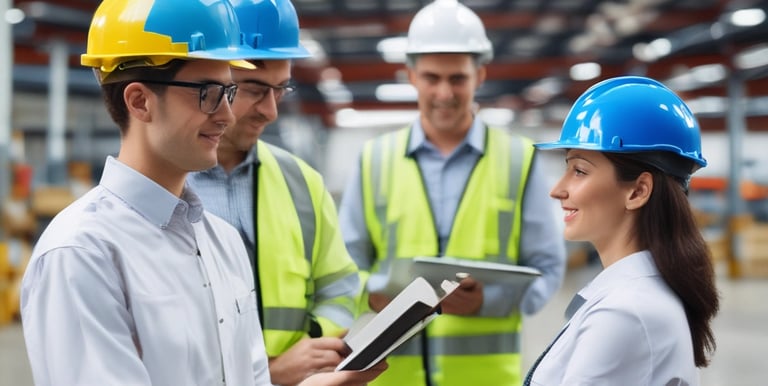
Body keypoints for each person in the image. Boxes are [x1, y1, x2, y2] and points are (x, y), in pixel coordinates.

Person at [19, 0, 385, 385]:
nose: (227, 115)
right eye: (208, 93)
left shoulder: (219, 242)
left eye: (229, 92)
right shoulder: (82, 254)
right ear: (139, 101)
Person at [337, 0, 567, 384]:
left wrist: (486, 302)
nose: (444, 92)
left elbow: (548, 269)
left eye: (457, 78)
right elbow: (345, 266)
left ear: (479, 75)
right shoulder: (375, 159)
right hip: (395, 378)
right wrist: (374, 294)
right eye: (432, 77)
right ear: (411, 76)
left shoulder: (516, 160)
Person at [187, 0, 362, 384]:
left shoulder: (303, 182)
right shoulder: (168, 184)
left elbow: (340, 289)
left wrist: (312, 347)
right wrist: (265, 372)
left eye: (280, 90)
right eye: (254, 89)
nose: (271, 111)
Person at [524, 76, 720, 385]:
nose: (558, 190)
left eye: (579, 170)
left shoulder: (625, 314)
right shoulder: (635, 299)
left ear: (638, 191)